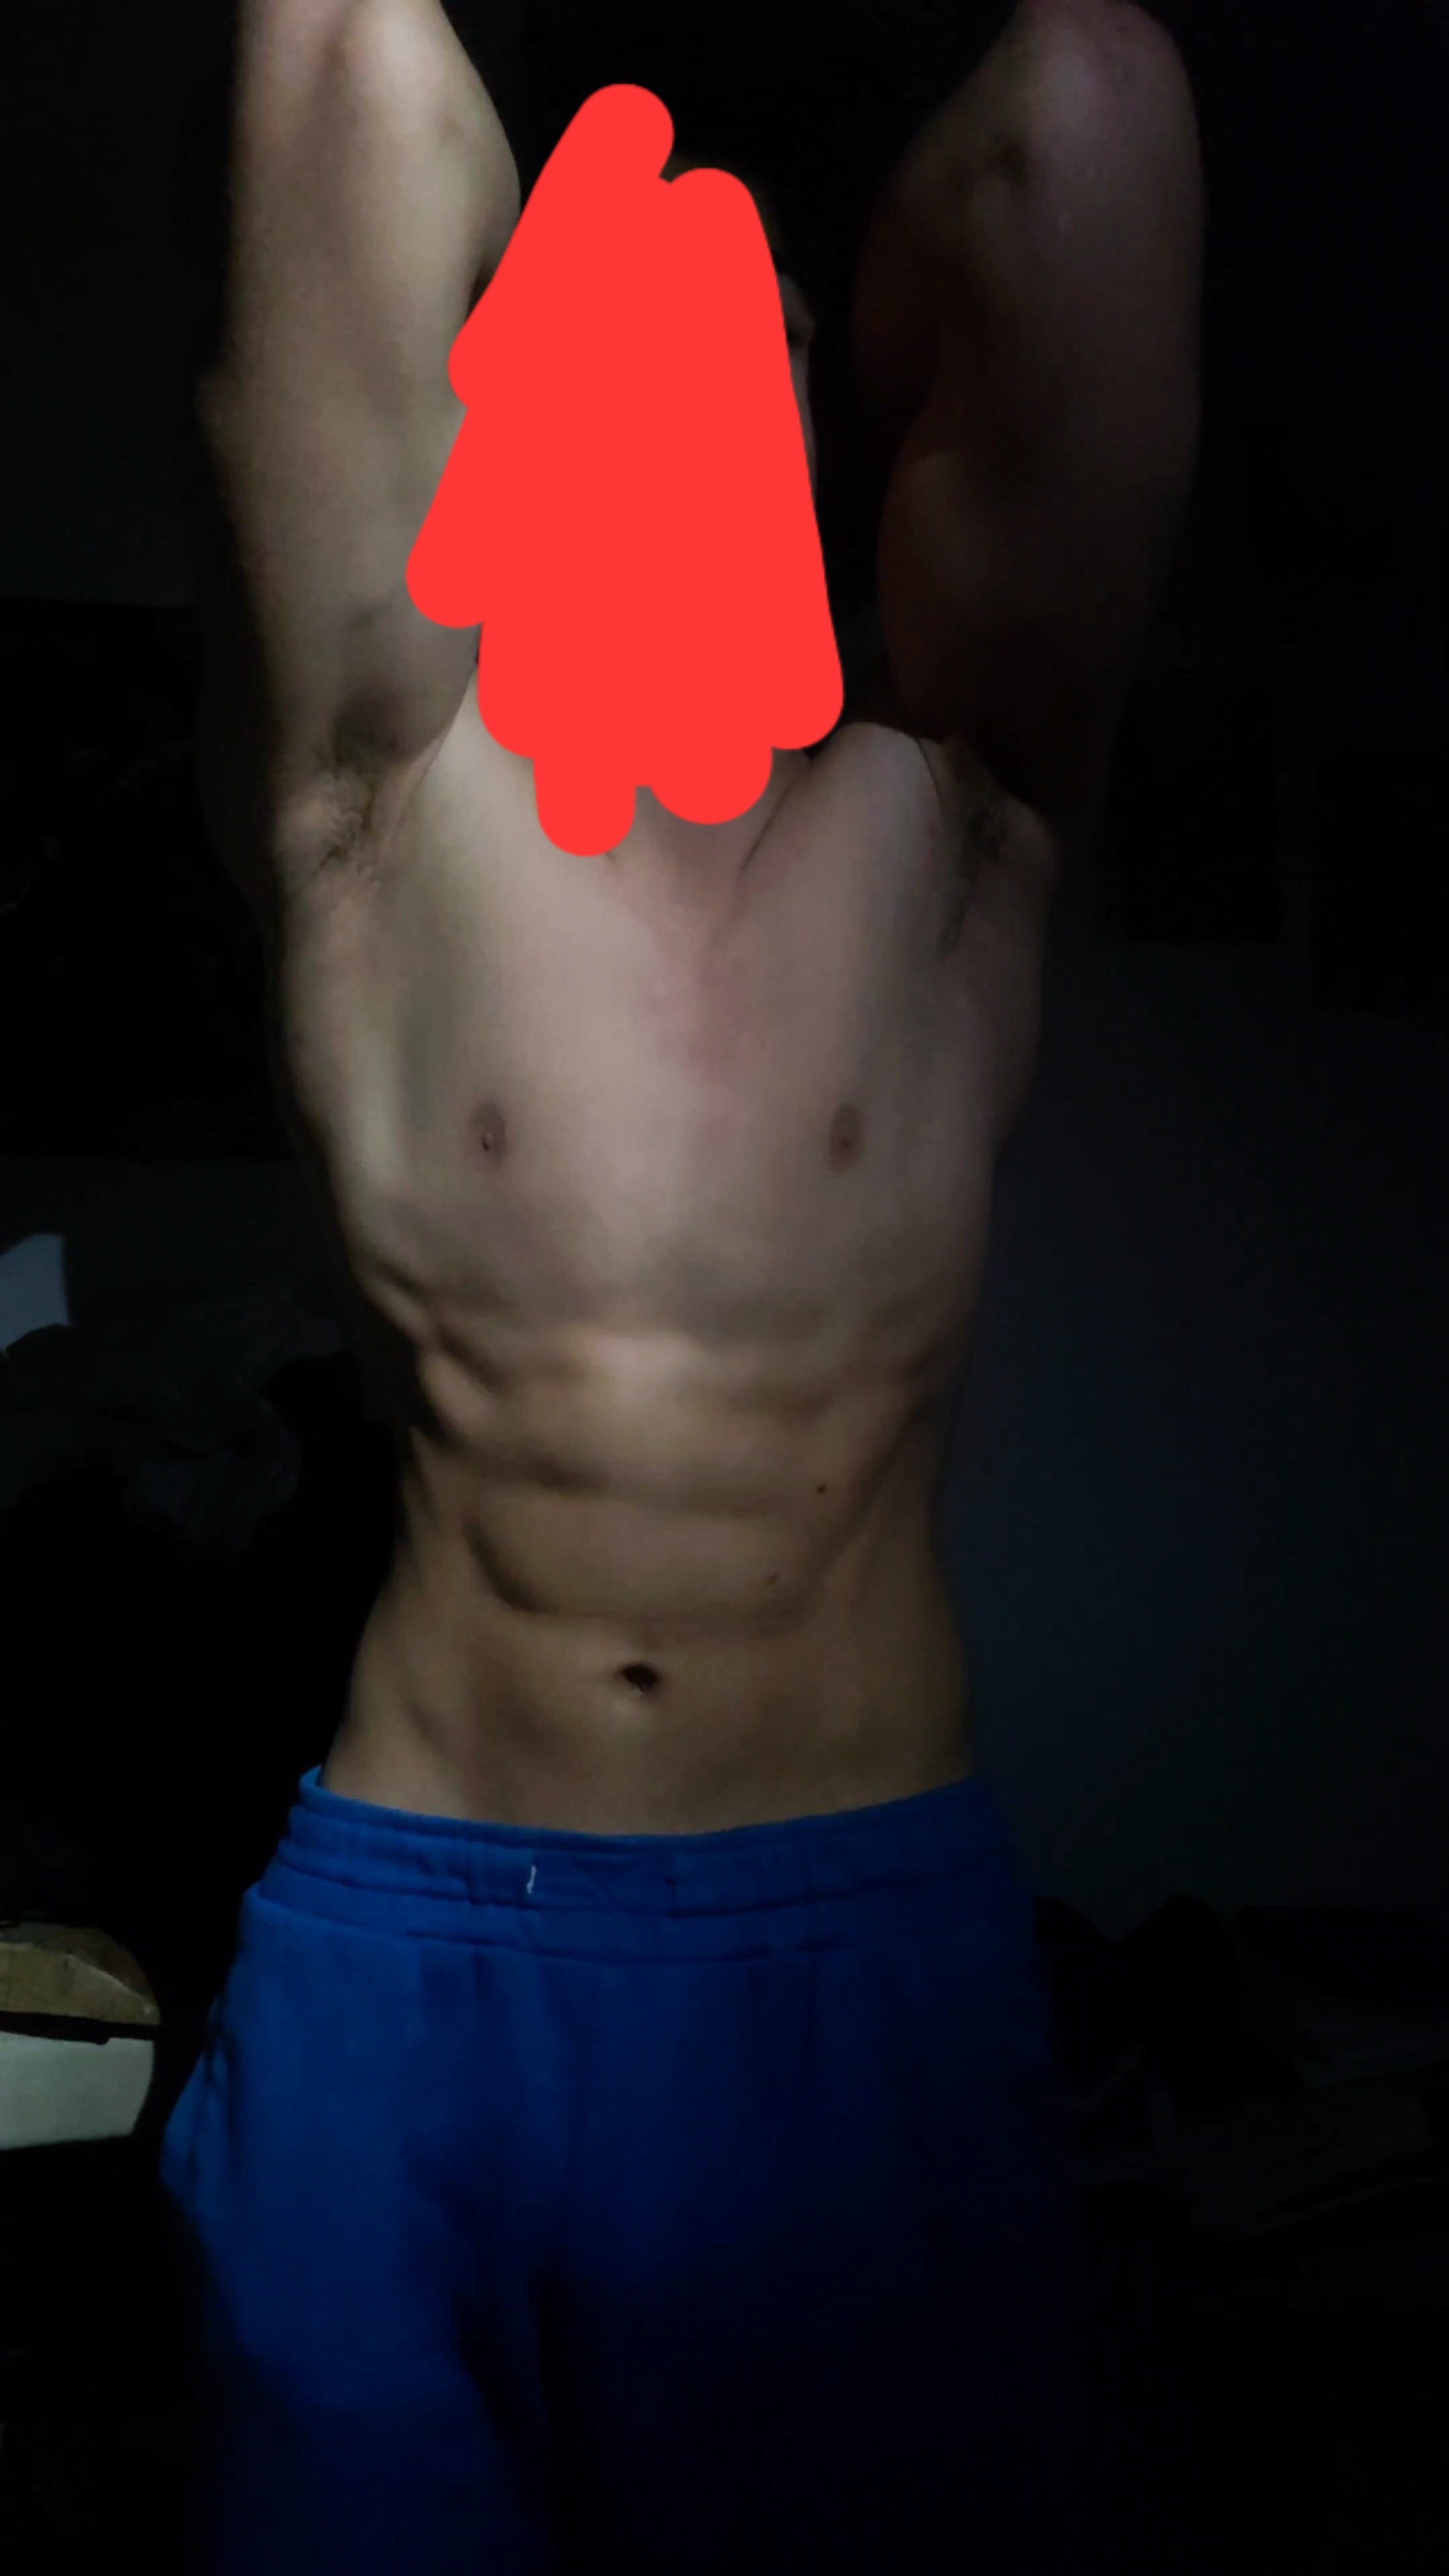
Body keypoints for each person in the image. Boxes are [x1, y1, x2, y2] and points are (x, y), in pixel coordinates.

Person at [161, 2, 1203, 2569]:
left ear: (849, 427)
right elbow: (337, 58)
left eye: (739, 349)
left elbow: (1083, 116)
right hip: (413, 1959)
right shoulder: (382, 815)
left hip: (848, 1972)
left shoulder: (956, 830)